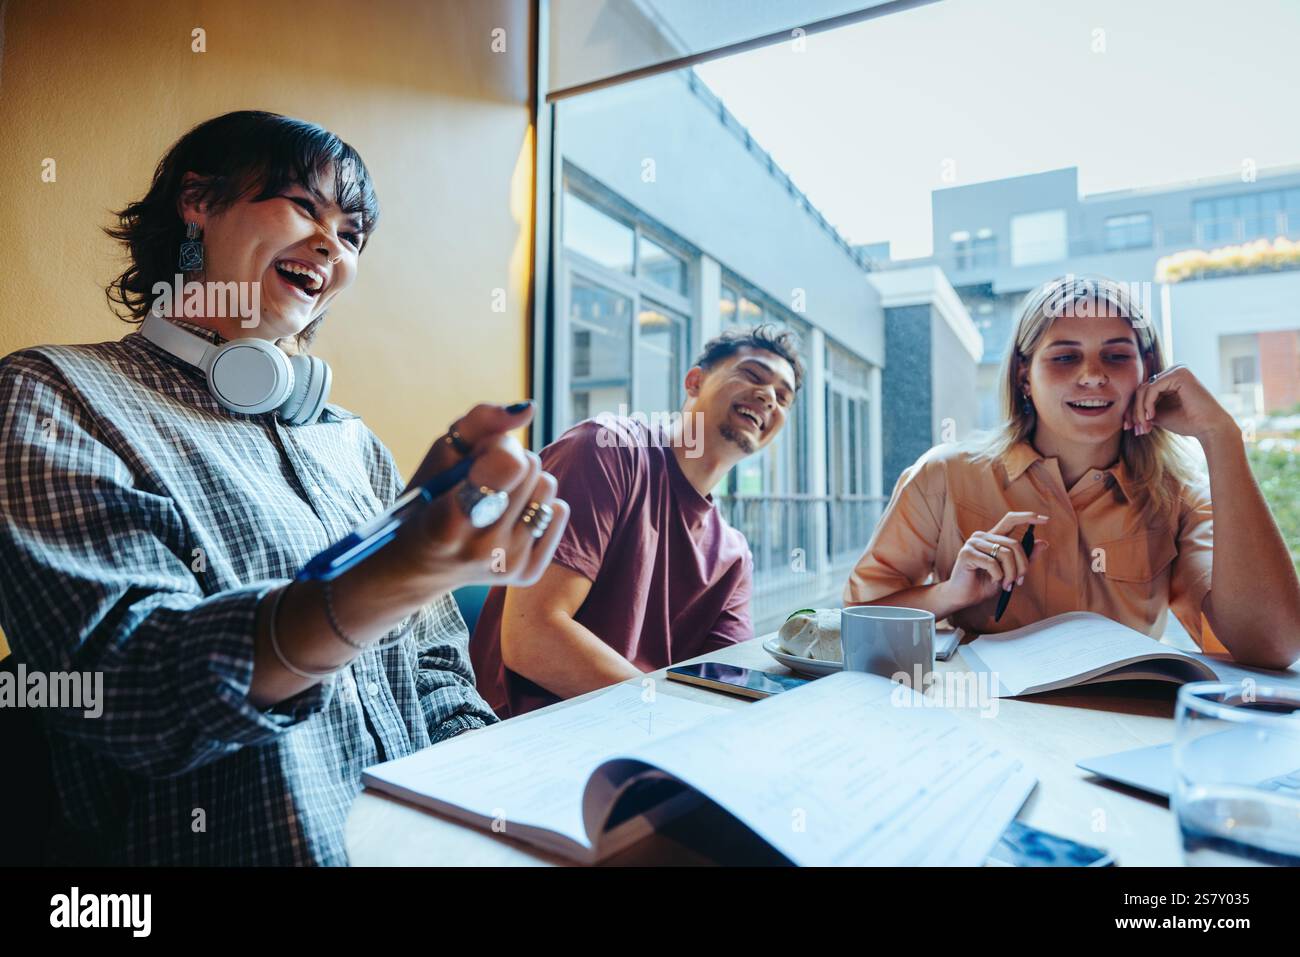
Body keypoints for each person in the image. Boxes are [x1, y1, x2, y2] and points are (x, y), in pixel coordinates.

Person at [0, 111, 569, 865]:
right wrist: (382, 577)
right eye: (305, 205)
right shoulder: (53, 393)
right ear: (198, 202)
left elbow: (434, 667)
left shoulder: (352, 444)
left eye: (353, 231)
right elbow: (127, 691)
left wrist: (502, 814)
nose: (333, 242)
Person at [844, 274, 1300, 669]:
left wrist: (1221, 438)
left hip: (1115, 732)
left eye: (1117, 356)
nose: (1092, 376)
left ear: (1148, 372)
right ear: (1024, 376)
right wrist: (948, 595)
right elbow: (858, 620)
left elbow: (1272, 647)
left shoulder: (1179, 495)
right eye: (1064, 357)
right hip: (984, 723)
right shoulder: (943, 476)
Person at [471, 324, 805, 717]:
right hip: (523, 732)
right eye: (752, 375)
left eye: (783, 398)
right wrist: (667, 717)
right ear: (695, 381)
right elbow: (532, 638)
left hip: (639, 739)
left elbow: (723, 684)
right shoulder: (606, 451)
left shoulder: (733, 555)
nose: (769, 397)